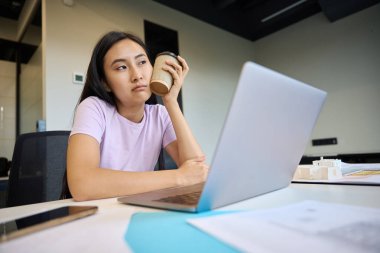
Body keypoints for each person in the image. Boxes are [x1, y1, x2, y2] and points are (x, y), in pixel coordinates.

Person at [67, 31, 208, 201]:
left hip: (138, 208)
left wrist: (171, 101)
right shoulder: (94, 108)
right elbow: (83, 184)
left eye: (142, 62)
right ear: (105, 82)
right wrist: (179, 177)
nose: (137, 75)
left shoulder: (160, 114)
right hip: (100, 214)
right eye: (121, 67)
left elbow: (197, 170)